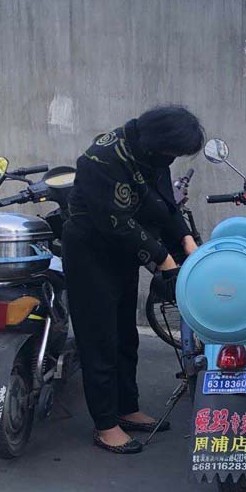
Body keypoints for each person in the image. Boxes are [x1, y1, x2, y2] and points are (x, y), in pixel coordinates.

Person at [62, 105, 203, 455]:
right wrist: (165, 260)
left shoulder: (152, 154)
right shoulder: (101, 159)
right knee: (100, 339)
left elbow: (164, 204)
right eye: (172, 152)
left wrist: (187, 241)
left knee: (125, 335)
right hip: (91, 253)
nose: (172, 159)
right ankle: (105, 425)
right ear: (159, 141)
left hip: (122, 253)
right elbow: (117, 222)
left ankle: (127, 408)